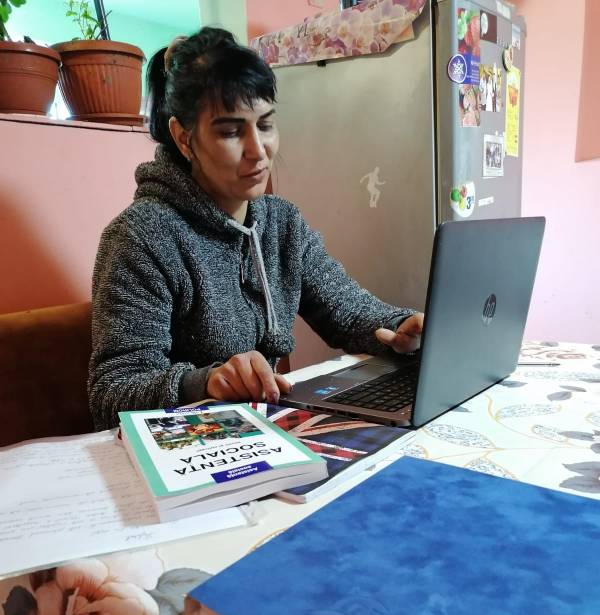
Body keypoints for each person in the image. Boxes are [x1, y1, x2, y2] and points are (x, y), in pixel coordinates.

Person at [88, 28, 424, 431]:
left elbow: (346, 310)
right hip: (195, 446)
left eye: (265, 125)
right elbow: (112, 392)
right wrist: (205, 381)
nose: (258, 150)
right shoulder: (140, 238)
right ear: (183, 138)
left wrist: (404, 325)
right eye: (231, 132)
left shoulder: (281, 223)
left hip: (264, 429)